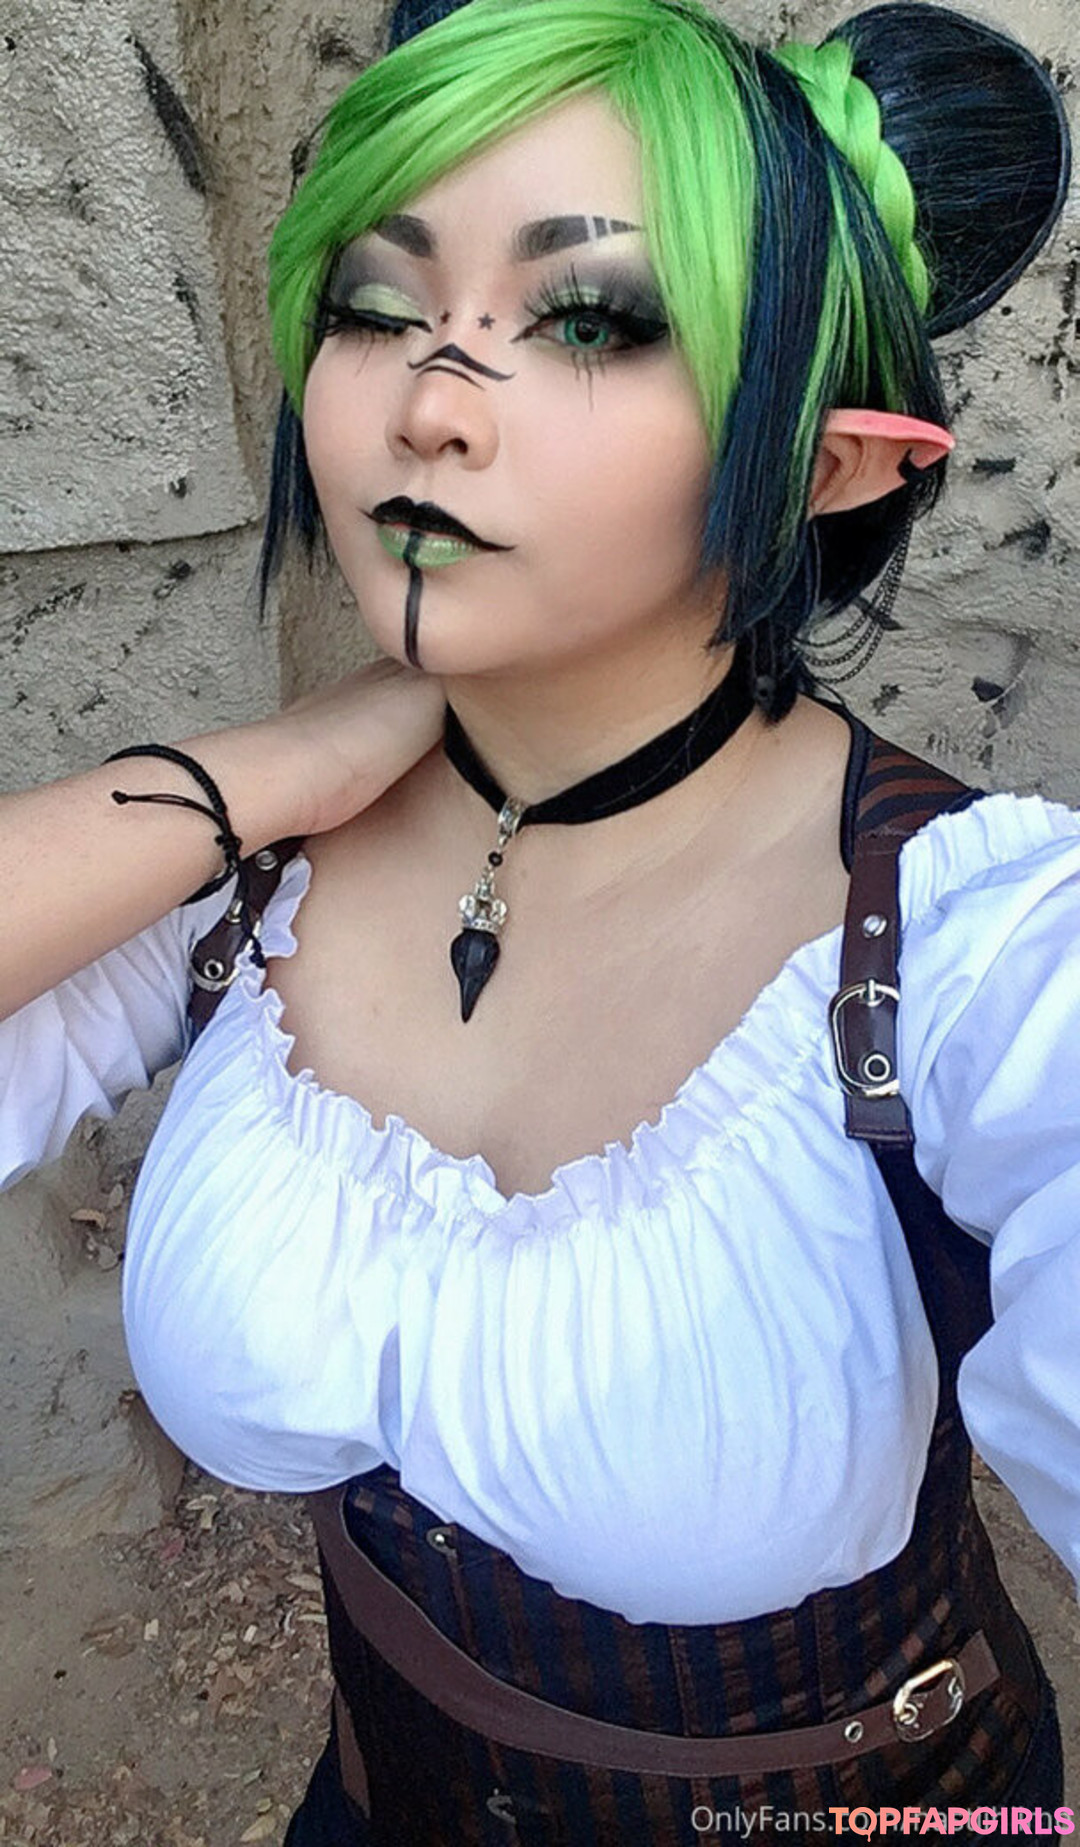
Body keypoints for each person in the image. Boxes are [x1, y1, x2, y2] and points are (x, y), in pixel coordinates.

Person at [1, 0, 1077, 1839]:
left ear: (835, 461)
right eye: (377, 305)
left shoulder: (979, 950)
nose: (425, 402)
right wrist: (264, 764)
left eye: (588, 320)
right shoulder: (262, 869)